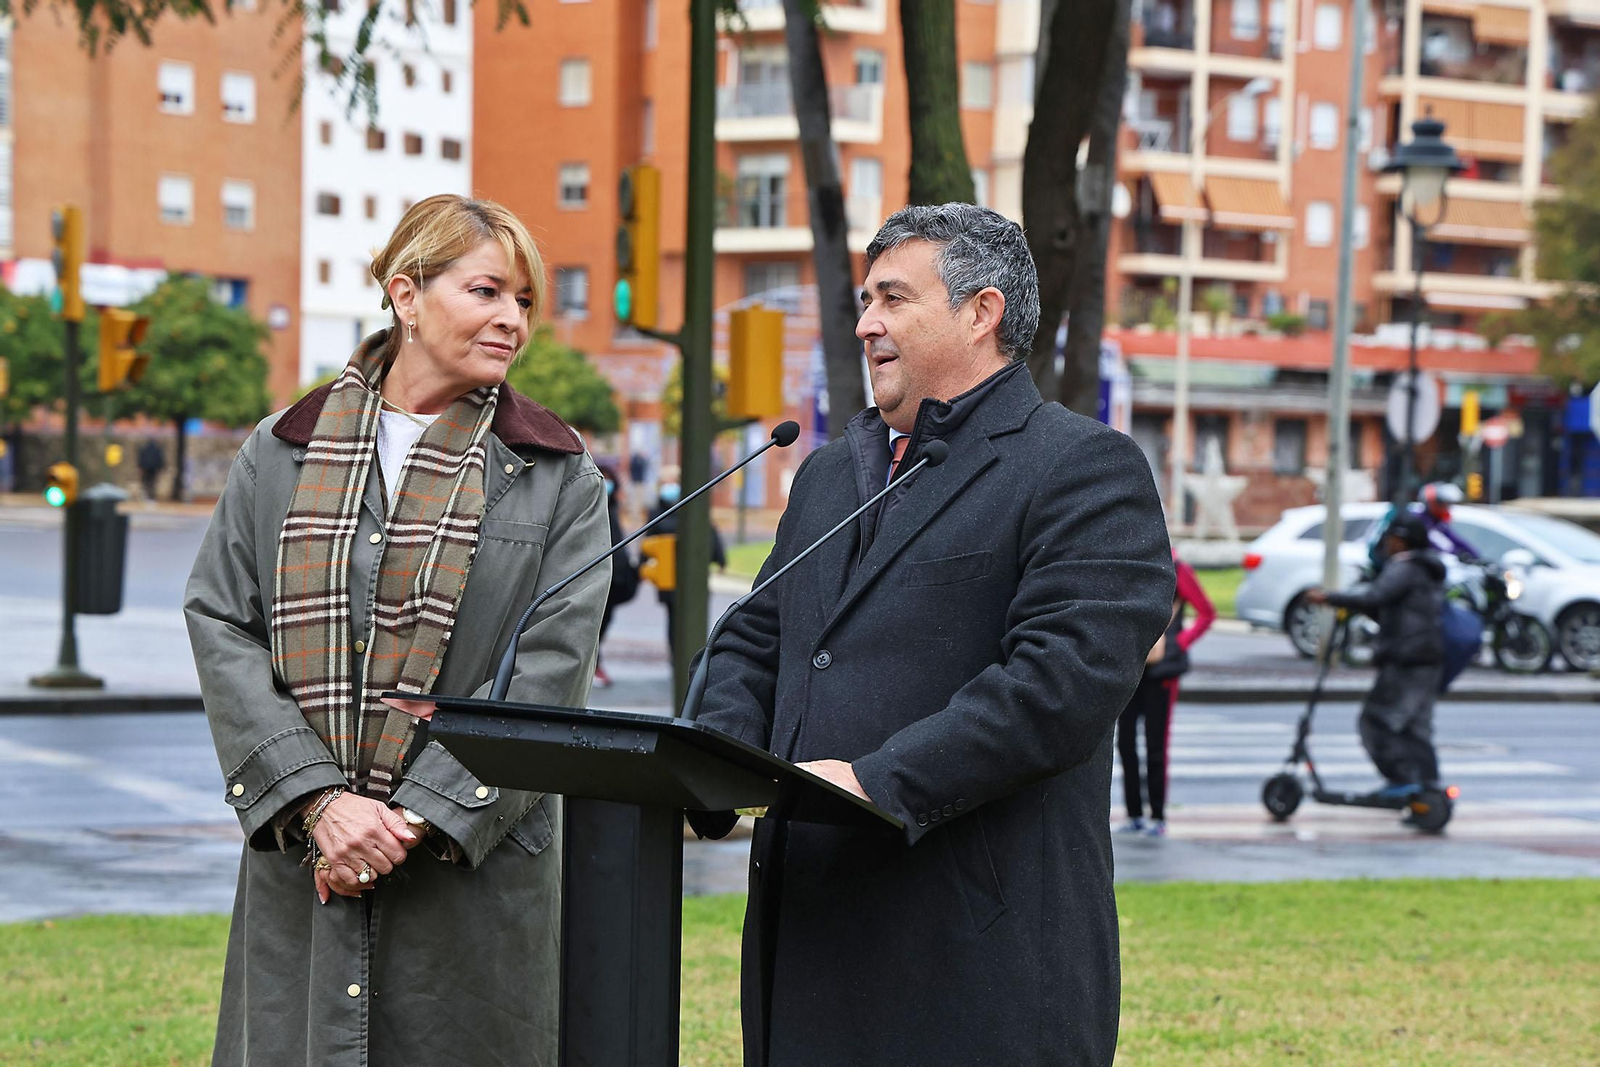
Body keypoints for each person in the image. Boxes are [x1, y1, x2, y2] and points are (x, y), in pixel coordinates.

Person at [686, 204, 1175, 1067]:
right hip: (807, 943)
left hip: (974, 964)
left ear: (980, 312)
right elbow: (754, 640)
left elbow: (1057, 686)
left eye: (892, 298)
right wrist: (715, 766)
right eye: (864, 300)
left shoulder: (1083, 468)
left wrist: (875, 782)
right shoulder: (834, 472)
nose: (866, 322)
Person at [184, 194, 611, 1067]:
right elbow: (223, 621)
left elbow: (547, 671)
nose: (511, 319)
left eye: (525, 301)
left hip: (470, 868)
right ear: (405, 294)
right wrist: (320, 803)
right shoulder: (280, 449)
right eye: (487, 290)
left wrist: (406, 821)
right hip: (306, 860)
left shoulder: (559, 476)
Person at [1308, 511, 1447, 798]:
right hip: (1427, 657)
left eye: (1390, 539)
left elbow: (1375, 596)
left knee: (1376, 722)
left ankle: (1403, 782)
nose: (1386, 545)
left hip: (1406, 657)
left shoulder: (1405, 567)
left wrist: (1329, 598)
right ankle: (1428, 789)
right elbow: (1389, 605)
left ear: (1400, 541)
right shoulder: (1426, 569)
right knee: (1415, 728)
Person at [1116, 549, 1216, 837]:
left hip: (1163, 671)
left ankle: (1157, 816)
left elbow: (1206, 613)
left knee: (1156, 744)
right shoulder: (1130, 562)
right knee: (1125, 743)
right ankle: (1134, 814)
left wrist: (1178, 644)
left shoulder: (1177, 567)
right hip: (1132, 666)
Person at [647, 468, 726, 653]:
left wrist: (720, 559)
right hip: (669, 576)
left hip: (693, 573)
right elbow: (649, 542)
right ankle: (677, 657)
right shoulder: (657, 512)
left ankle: (690, 655)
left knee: (693, 617)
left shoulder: (693, 506)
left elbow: (711, 534)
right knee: (674, 619)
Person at [595, 463, 640, 688]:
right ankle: (594, 665)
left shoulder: (613, 508)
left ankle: (595, 664)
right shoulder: (591, 508)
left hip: (615, 579)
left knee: (603, 623)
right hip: (596, 578)